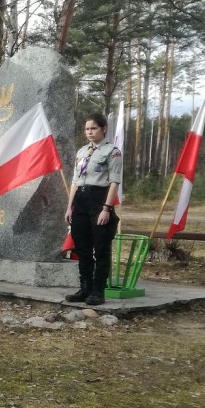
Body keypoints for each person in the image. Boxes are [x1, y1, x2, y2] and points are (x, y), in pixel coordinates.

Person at [64, 113, 122, 306]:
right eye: (87, 129)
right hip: (81, 200)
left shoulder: (111, 152)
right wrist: (70, 207)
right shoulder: (82, 152)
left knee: (101, 247)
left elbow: (114, 182)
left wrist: (106, 208)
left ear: (103, 129)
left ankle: (98, 291)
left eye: (94, 128)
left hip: (99, 200)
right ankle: (85, 288)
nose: (90, 132)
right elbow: (74, 181)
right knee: (82, 248)